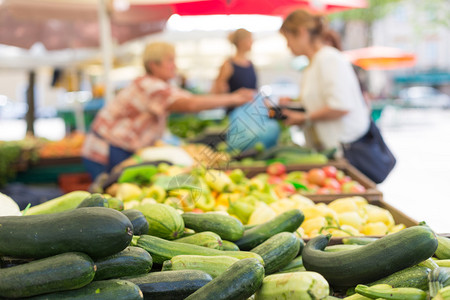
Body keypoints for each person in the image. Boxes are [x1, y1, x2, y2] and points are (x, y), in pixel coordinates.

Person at [81, 41, 254, 180]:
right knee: (110, 195)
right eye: (170, 60)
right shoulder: (149, 86)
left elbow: (190, 98)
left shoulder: (159, 86)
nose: (174, 65)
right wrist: (234, 98)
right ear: (153, 65)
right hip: (106, 150)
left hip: (121, 148)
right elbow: (190, 104)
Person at [278, 9, 370, 154]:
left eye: (288, 39)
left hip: (348, 150)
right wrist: (294, 104)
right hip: (330, 149)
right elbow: (320, 101)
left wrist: (304, 118)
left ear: (301, 32)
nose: (288, 46)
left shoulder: (328, 58)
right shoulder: (313, 63)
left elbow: (341, 105)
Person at [211, 28, 257, 114]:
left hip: (251, 112)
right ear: (241, 42)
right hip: (234, 114)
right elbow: (216, 92)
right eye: (249, 39)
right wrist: (232, 95)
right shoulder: (228, 65)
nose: (252, 42)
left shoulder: (250, 63)